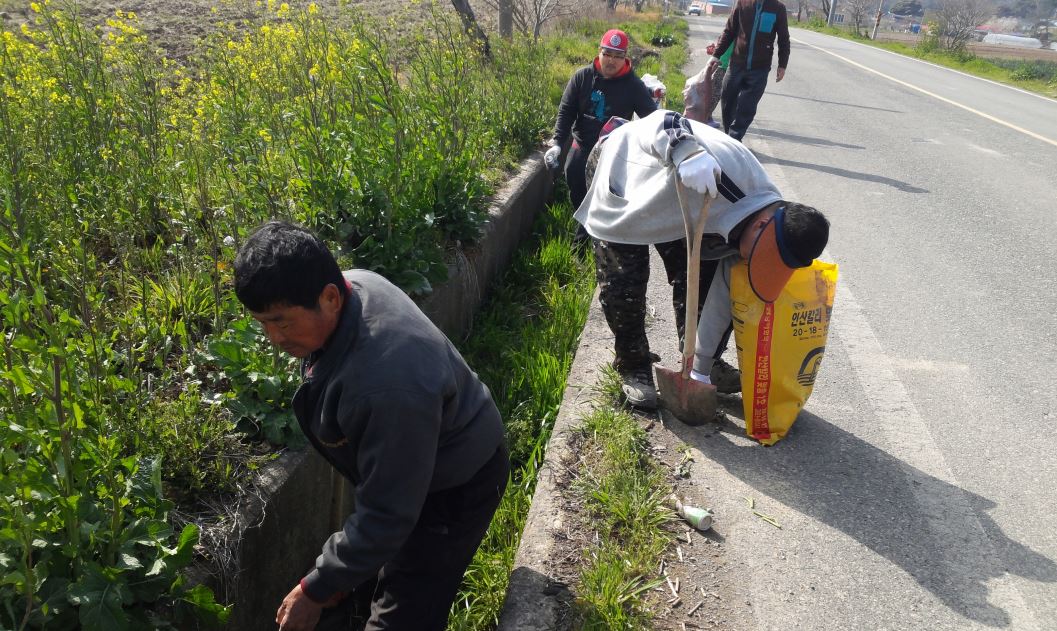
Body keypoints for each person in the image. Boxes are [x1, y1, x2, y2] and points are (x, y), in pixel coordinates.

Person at [233, 221, 509, 631]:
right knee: (370, 573)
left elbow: (388, 513)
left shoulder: (385, 385)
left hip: (457, 485)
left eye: (282, 322)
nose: (273, 337)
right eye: (262, 324)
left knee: (405, 612)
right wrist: (336, 576)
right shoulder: (354, 285)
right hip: (424, 455)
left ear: (328, 297)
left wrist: (314, 588)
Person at [576, 110, 828, 411]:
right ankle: (633, 363)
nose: (754, 262)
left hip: (678, 202)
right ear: (762, 226)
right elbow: (660, 120)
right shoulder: (727, 174)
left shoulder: (761, 224)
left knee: (702, 278)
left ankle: (693, 359)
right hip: (625, 175)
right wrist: (686, 152)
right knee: (624, 284)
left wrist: (702, 367)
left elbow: (722, 298)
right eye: (761, 257)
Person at [544, 28, 658, 218]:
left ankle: (585, 239)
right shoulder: (582, 77)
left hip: (613, 150)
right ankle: (586, 224)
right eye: (607, 54)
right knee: (574, 181)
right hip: (582, 143)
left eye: (617, 56)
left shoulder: (633, 85)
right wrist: (557, 143)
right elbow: (566, 111)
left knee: (603, 196)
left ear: (625, 57)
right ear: (600, 51)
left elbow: (651, 119)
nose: (611, 60)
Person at [709, 0, 790, 141]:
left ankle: (735, 138)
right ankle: (730, 135)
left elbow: (783, 39)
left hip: (760, 68)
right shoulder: (742, 3)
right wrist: (716, 55)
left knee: (747, 106)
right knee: (727, 99)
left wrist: (782, 65)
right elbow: (729, 31)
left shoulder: (778, 8)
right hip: (736, 64)